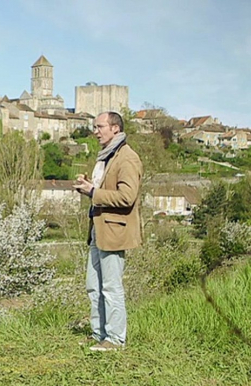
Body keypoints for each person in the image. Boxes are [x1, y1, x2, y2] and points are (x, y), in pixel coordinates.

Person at [73, 111, 143, 352]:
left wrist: (93, 192)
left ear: (115, 128)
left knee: (111, 287)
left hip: (114, 231)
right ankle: (99, 333)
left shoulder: (127, 158)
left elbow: (127, 197)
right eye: (94, 127)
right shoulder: (106, 156)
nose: (95, 131)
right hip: (98, 229)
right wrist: (88, 188)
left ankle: (114, 339)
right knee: (93, 285)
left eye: (100, 126)